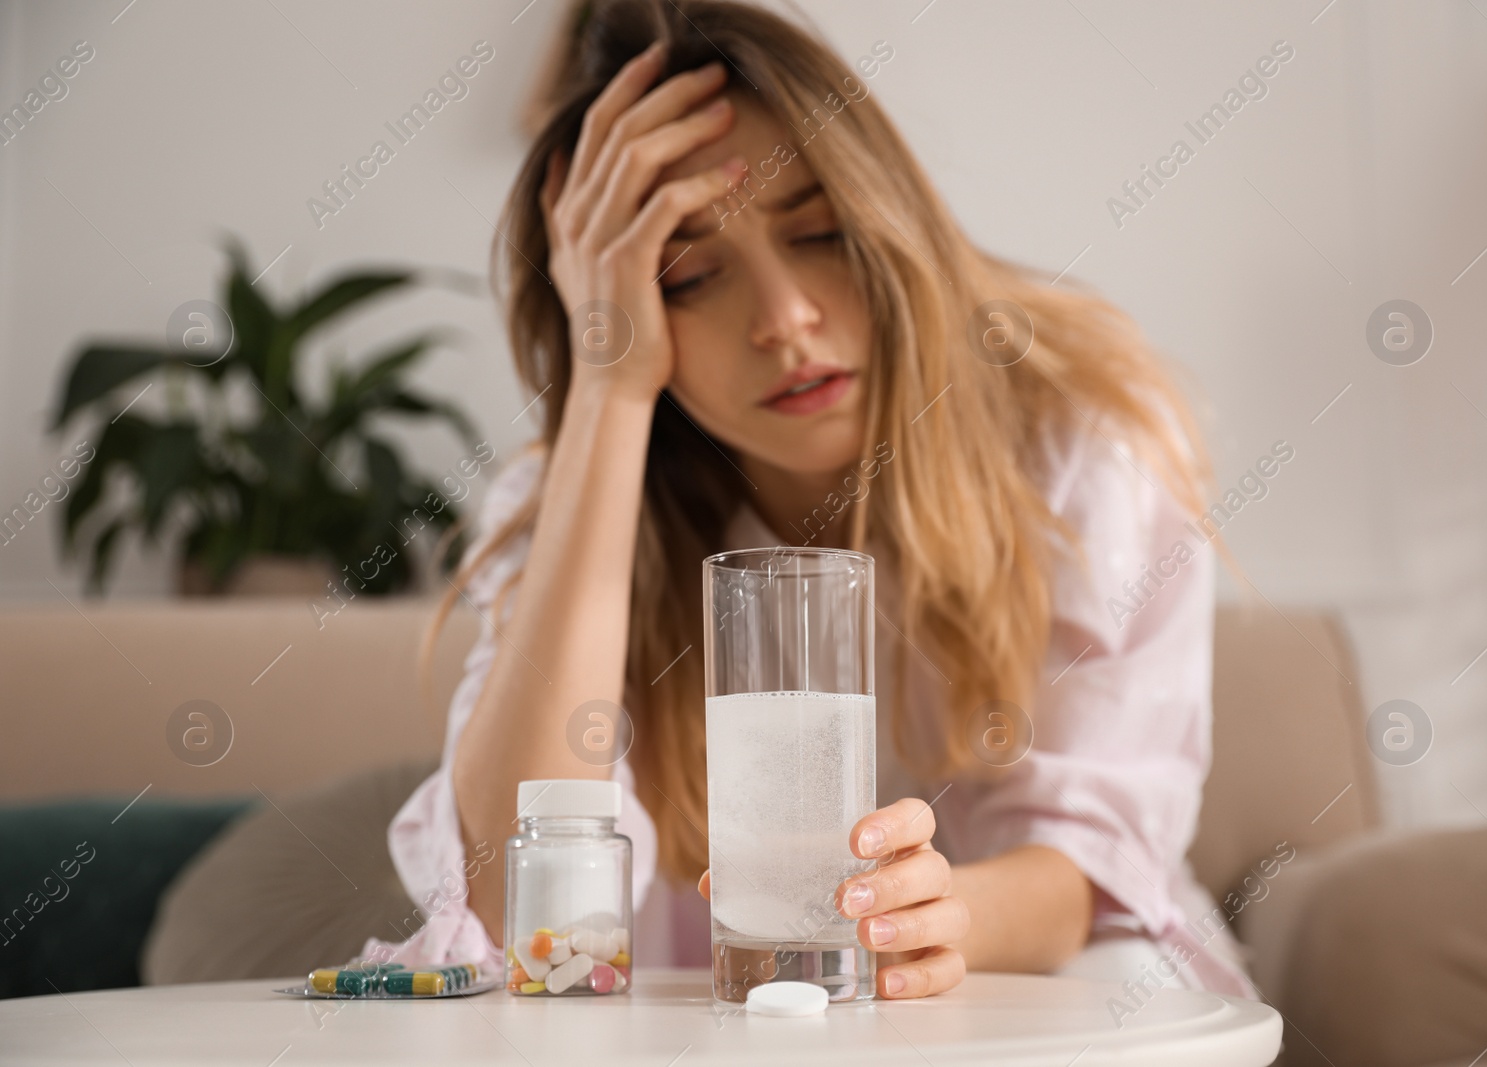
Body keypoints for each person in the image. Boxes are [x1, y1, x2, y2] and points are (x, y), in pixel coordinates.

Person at [362, 0, 1252, 1002]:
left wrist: (926, 915)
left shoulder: (1077, 450)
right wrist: (610, 387)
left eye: (821, 231)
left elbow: (1085, 872)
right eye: (690, 274)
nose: (785, 319)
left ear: (889, 219)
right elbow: (508, 917)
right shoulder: (561, 499)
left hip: (1047, 993)